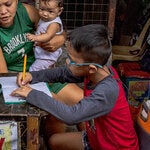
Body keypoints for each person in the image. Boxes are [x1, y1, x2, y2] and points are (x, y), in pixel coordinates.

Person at [11, 24, 139, 150]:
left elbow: (72, 115)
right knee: (54, 142)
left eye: (72, 60)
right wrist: (32, 76)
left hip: (116, 147)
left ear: (91, 68)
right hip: (97, 139)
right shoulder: (98, 72)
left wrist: (31, 94)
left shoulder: (107, 90)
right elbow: (63, 73)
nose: (67, 62)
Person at [0, 0, 84, 141]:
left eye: (8, 4)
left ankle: (90, 143)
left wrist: (61, 38)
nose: (3, 11)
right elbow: (4, 75)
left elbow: (54, 25)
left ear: (16, 1)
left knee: (83, 101)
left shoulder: (27, 11)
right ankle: (52, 142)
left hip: (43, 71)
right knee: (57, 108)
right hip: (17, 81)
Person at [27, 0, 64, 71]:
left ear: (59, 11)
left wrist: (34, 37)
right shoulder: (44, 19)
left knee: (33, 70)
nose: (45, 13)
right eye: (42, 9)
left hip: (47, 57)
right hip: (42, 55)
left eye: (50, 11)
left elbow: (48, 36)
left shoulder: (54, 24)